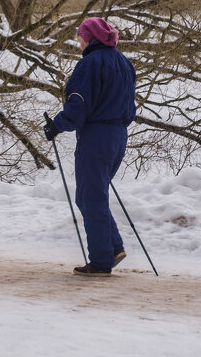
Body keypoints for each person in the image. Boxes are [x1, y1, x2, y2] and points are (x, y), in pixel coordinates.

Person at [43, 16, 137, 277]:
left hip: (96, 137)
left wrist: (56, 126)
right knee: (91, 196)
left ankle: (100, 261)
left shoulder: (88, 65)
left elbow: (77, 107)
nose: (78, 41)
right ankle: (113, 248)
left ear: (90, 37)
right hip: (118, 136)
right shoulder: (124, 62)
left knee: (91, 197)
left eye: (80, 36)